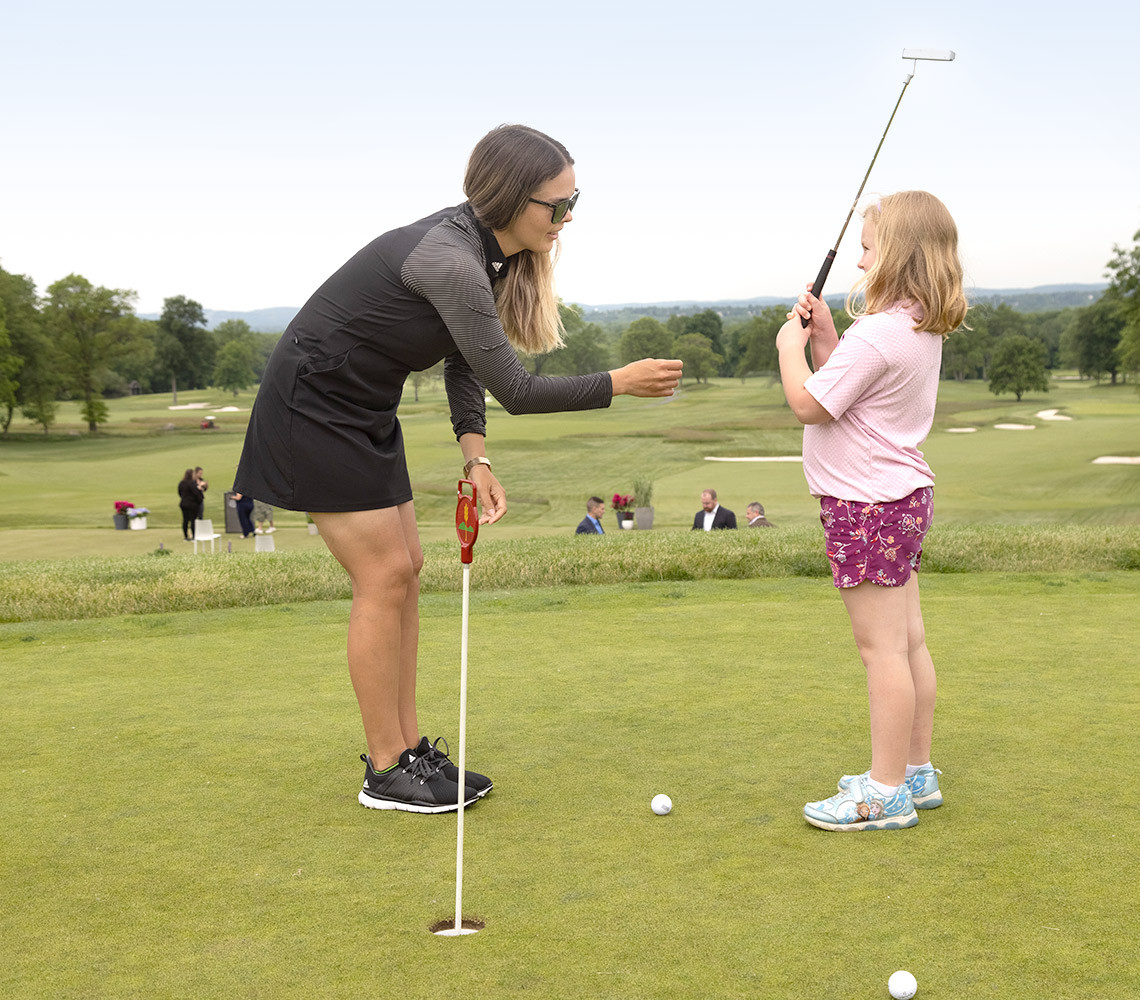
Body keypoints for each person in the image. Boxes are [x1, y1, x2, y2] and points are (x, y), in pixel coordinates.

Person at [233, 124, 682, 814]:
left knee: (408, 568)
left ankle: (411, 754)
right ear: (509, 198)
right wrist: (617, 381)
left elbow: (462, 359)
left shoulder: (485, 255)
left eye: (573, 201)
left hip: (361, 408)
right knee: (382, 576)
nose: (568, 218)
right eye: (556, 205)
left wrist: (477, 456)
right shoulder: (450, 258)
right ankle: (386, 770)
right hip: (313, 408)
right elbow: (518, 391)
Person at [775, 190, 968, 832]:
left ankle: (884, 793)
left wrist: (789, 348)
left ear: (897, 254)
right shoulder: (911, 325)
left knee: (879, 651)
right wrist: (829, 336)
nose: (859, 262)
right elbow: (851, 394)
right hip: (899, 498)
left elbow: (811, 404)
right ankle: (915, 772)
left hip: (865, 507)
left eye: (866, 248)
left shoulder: (881, 333)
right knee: (907, 643)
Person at [177, 468, 201, 541]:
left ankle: (186, 536)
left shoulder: (181, 483)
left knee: (185, 520)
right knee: (193, 520)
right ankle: (194, 536)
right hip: (192, 504)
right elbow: (196, 494)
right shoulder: (192, 483)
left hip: (183, 503)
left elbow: (180, 492)